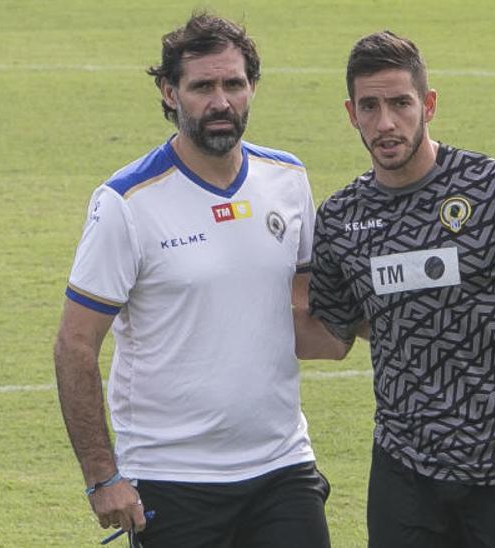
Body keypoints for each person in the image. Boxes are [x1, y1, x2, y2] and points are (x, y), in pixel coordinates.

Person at [300, 31, 495, 547]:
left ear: (429, 104)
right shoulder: (341, 219)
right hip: (404, 471)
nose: (386, 123)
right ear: (351, 113)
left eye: (401, 103)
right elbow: (332, 334)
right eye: (370, 107)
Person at [53, 12, 331, 548]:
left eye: (234, 84)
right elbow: (75, 343)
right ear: (169, 92)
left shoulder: (288, 180)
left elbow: (309, 309)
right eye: (202, 86)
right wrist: (101, 476)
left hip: (282, 467)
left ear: (252, 88)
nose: (220, 101)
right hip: (172, 478)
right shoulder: (126, 202)